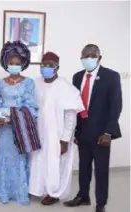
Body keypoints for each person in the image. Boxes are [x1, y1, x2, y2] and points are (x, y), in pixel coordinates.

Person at [64, 44, 122, 212]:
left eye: (91, 55)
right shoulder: (77, 77)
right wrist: (74, 129)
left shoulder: (111, 76)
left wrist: (108, 132)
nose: (87, 58)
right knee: (84, 166)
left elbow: (116, 105)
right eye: (84, 55)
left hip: (101, 132)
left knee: (101, 169)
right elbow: (75, 105)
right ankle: (83, 196)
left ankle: (101, 203)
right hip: (83, 130)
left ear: (99, 57)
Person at [0, 41, 37, 205]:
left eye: (17, 63)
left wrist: (16, 116)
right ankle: (3, 192)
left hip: (20, 128)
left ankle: (20, 192)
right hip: (4, 129)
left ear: (23, 64)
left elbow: (31, 106)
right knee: (4, 158)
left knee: (20, 158)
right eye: (11, 63)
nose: (14, 66)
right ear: (5, 63)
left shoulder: (28, 83)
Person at [29, 52, 84, 205]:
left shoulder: (65, 87)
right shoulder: (35, 82)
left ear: (57, 67)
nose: (46, 68)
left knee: (54, 163)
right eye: (43, 64)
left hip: (56, 134)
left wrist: (65, 139)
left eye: (50, 65)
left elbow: (71, 117)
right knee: (37, 160)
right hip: (38, 132)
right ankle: (37, 189)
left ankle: (53, 193)